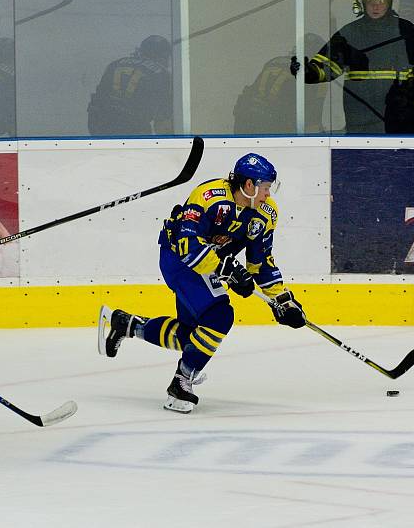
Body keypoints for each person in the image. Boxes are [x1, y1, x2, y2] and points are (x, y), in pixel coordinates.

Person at [98, 154, 307, 414]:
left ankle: (128, 325)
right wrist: (226, 268)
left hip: (210, 265)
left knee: (192, 336)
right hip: (179, 260)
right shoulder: (209, 196)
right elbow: (188, 247)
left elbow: (261, 263)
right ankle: (180, 382)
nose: (268, 193)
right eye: (265, 187)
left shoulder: (265, 213)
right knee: (219, 316)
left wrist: (282, 300)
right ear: (249, 185)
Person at [290, 0, 414, 134]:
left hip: (400, 121)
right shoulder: (349, 33)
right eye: (371, 2)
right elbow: (327, 68)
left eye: (381, 1)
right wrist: (307, 71)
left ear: (389, 3)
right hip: (359, 122)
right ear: (363, 4)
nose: (375, 6)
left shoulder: (406, 31)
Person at [233, 34, 328, 134]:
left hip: (244, 118)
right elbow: (312, 115)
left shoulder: (274, 62)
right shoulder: (312, 76)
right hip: (272, 124)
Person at [88, 35, 173, 136]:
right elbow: (163, 118)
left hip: (99, 121)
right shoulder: (162, 74)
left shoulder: (115, 64)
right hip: (131, 126)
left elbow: (99, 98)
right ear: (163, 56)